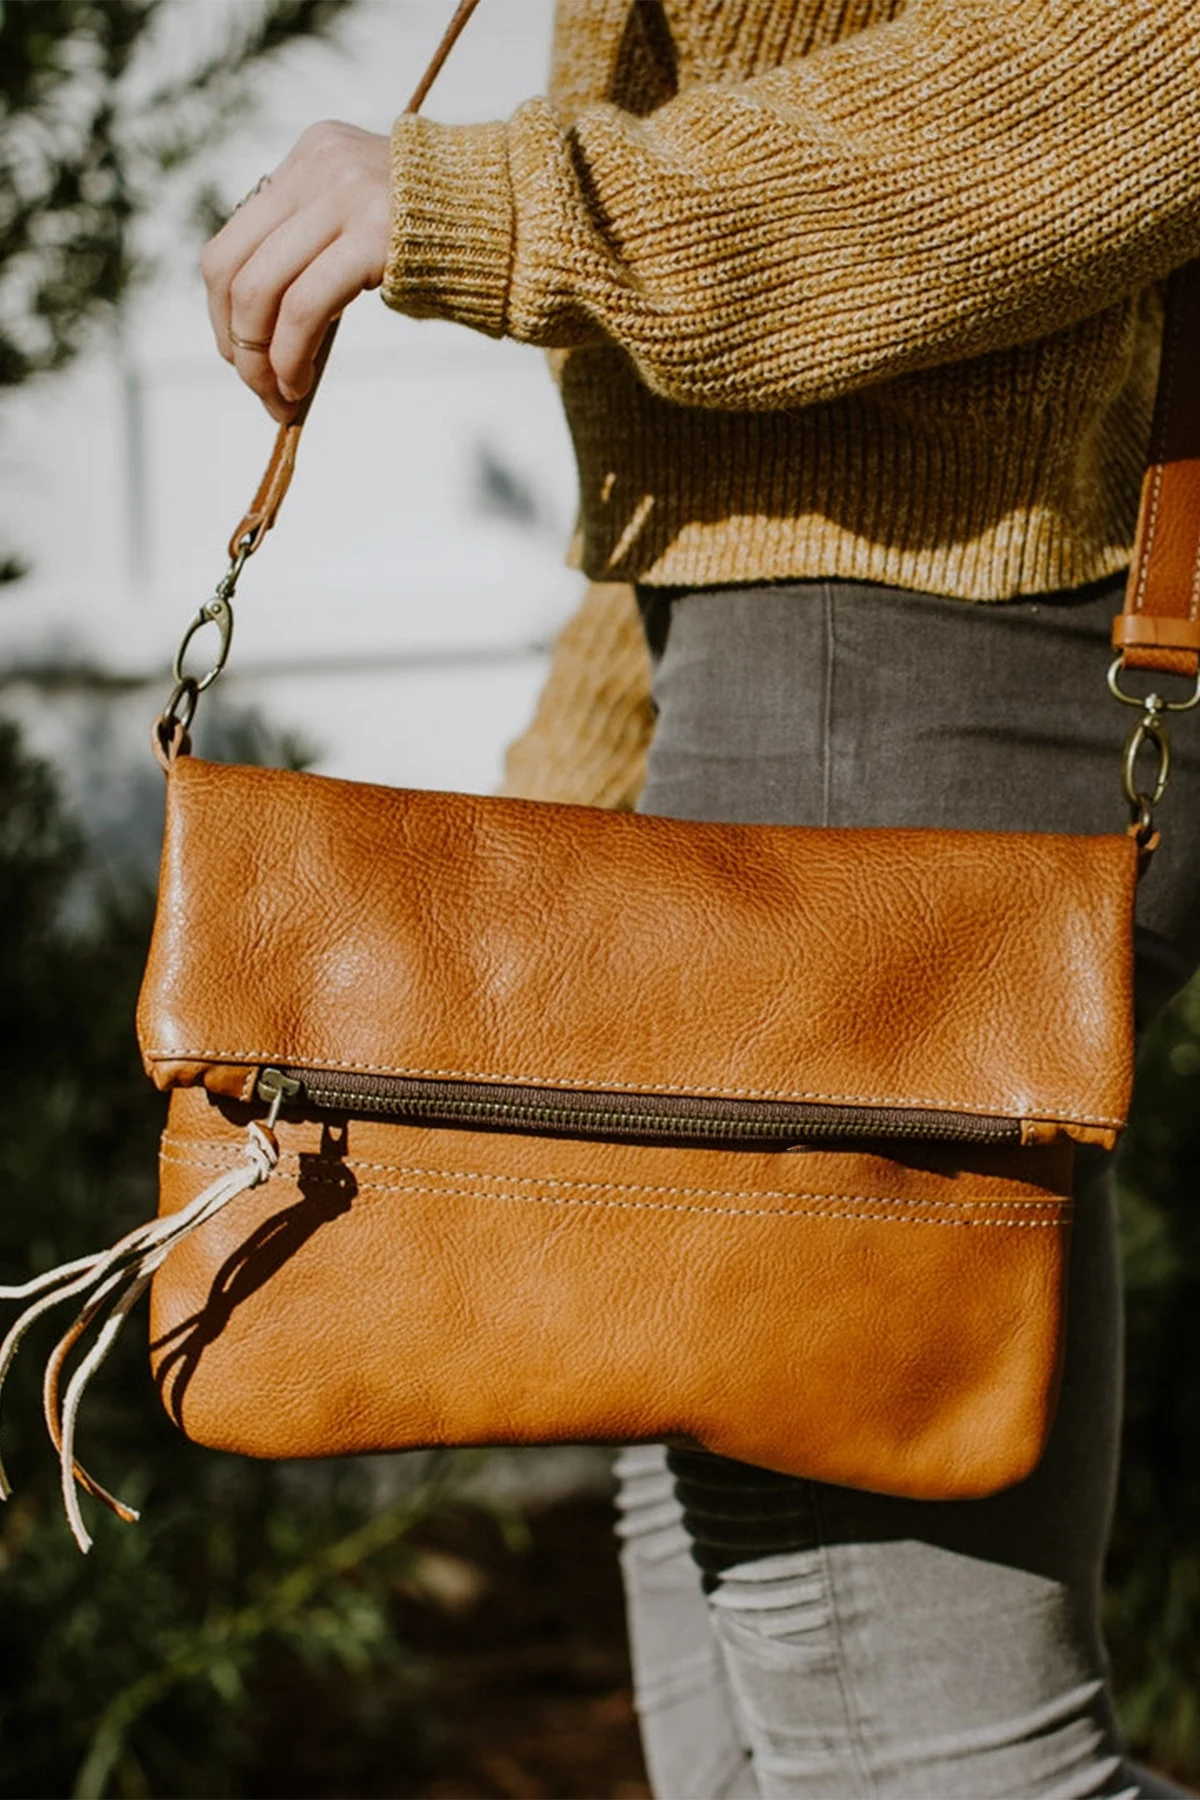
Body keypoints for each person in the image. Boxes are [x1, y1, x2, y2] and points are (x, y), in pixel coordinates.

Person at [200, 2, 1200, 1794]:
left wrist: (505, 203)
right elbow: (729, 501)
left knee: (923, 1760)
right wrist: (585, 817)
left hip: (913, 679)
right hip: (813, 683)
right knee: (750, 1718)